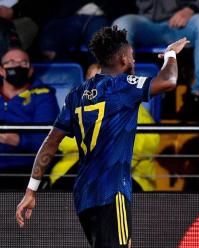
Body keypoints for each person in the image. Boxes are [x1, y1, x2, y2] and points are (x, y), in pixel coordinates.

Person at [15, 26, 187, 248]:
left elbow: (50, 144)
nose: (135, 60)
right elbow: (168, 82)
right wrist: (170, 55)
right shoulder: (124, 85)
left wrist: (31, 190)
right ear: (124, 58)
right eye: (133, 55)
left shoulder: (77, 93)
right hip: (113, 192)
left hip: (83, 195)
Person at [46, 63, 160, 192]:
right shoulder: (75, 107)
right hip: (75, 171)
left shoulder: (132, 106)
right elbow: (62, 142)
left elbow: (151, 142)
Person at [112, 0, 199, 119]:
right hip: (145, 24)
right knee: (120, 25)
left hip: (183, 23)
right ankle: (122, 91)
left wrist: (191, 9)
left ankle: (198, 96)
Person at [0, 47, 59, 189]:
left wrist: (17, 140)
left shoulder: (43, 96)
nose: (18, 66)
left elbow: (49, 141)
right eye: (12, 62)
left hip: (25, 169)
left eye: (24, 63)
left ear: (31, 70)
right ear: (1, 70)